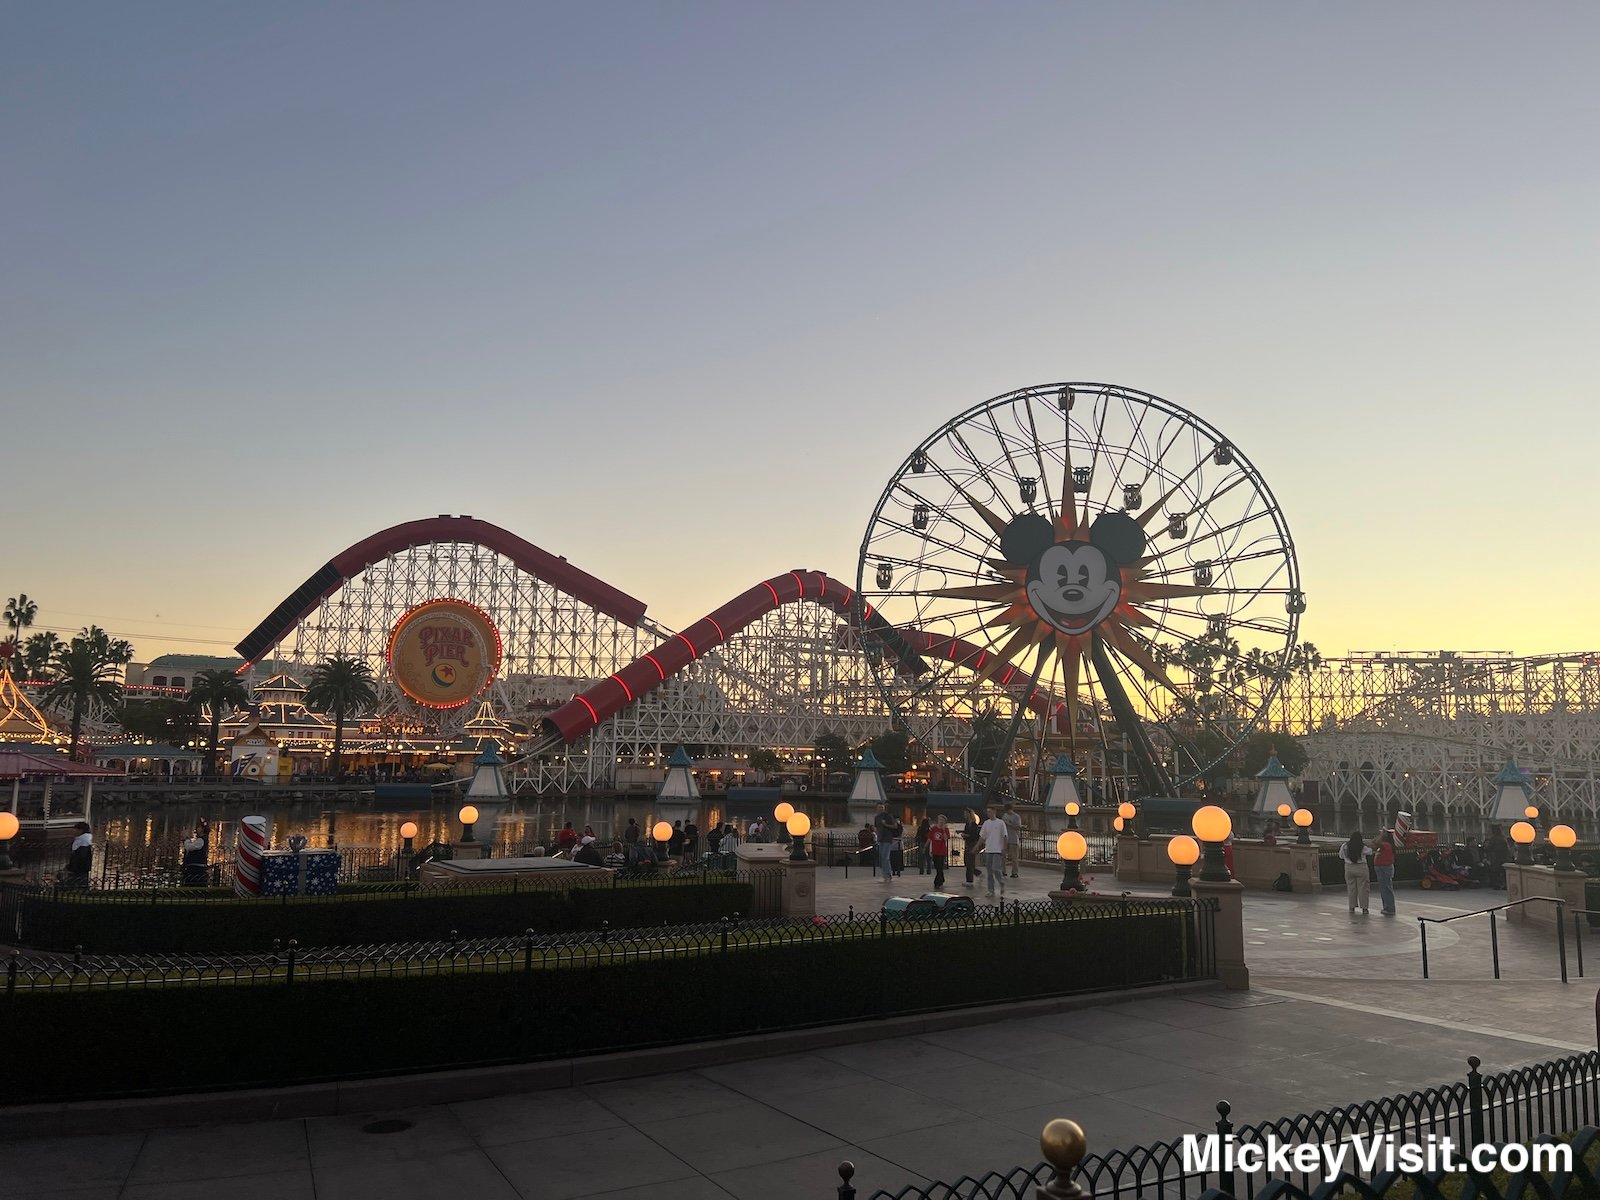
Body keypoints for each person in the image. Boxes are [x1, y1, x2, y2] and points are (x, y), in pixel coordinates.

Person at [979, 808, 1009, 899]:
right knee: (989, 872)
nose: (988, 813)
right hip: (989, 849)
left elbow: (1005, 836)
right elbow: (982, 837)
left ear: (994, 812)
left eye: (990, 811)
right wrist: (977, 846)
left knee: (995, 868)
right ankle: (991, 890)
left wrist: (1004, 848)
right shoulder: (986, 823)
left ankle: (1001, 882)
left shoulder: (1000, 823)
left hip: (997, 850)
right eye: (987, 812)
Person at [1340, 831, 1373, 914]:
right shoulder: (1362, 847)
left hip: (1349, 868)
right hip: (1361, 867)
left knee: (1351, 889)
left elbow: (1341, 856)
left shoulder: (1344, 846)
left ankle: (1352, 907)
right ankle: (1364, 908)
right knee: (1363, 889)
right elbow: (1370, 851)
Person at [1373, 829, 1398, 916]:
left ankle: (1389, 908)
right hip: (1382, 867)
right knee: (1385, 888)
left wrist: (1381, 835)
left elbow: (1376, 842)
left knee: (1386, 888)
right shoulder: (1386, 845)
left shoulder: (1386, 845)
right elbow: (1374, 842)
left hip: (1384, 867)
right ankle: (1387, 907)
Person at [872, 804, 899, 882]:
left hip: (887, 839)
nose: (881, 809)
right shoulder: (876, 817)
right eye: (879, 807)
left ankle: (888, 874)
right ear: (876, 808)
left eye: (882, 807)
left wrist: (885, 824)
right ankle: (885, 874)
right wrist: (875, 831)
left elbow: (895, 826)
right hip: (880, 839)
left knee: (885, 857)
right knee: (882, 857)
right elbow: (877, 828)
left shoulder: (888, 816)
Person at [62, 822, 93, 889]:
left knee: (78, 885)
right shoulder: (82, 840)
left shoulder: (84, 841)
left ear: (81, 830)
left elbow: (80, 856)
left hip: (79, 868)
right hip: (80, 868)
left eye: (76, 830)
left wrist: (71, 866)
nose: (74, 832)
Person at [927, 813, 951, 890]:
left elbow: (946, 838)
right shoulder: (933, 828)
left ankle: (938, 882)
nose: (941, 821)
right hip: (934, 850)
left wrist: (943, 830)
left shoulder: (946, 829)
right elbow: (930, 838)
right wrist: (926, 847)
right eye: (939, 820)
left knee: (940, 867)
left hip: (942, 850)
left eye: (942, 820)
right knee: (937, 867)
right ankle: (941, 879)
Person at [963, 810, 982, 888]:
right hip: (968, 844)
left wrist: (965, 835)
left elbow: (973, 836)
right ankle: (977, 874)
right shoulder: (967, 824)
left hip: (972, 844)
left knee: (970, 861)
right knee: (967, 862)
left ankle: (970, 880)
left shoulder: (974, 825)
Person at [1002, 803, 1022, 878]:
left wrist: (1009, 824)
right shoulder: (1004, 816)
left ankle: (1014, 872)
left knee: (1014, 857)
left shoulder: (1016, 817)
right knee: (1003, 855)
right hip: (1005, 838)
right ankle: (1003, 871)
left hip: (1014, 838)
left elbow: (1018, 827)